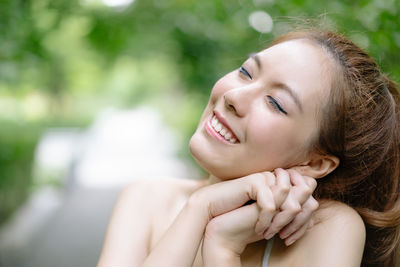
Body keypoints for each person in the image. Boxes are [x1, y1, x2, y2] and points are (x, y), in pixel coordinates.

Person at [97, 30, 400, 267]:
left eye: (276, 104)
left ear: (315, 163)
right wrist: (200, 208)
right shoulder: (146, 199)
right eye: (246, 72)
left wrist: (223, 247)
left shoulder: (327, 228)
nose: (234, 96)